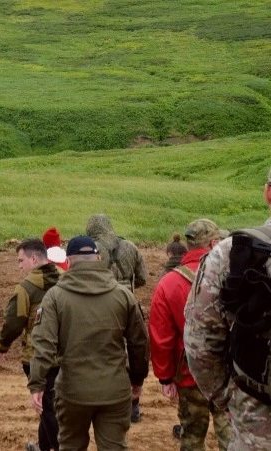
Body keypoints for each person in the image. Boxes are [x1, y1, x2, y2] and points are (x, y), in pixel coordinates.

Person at [28, 236, 149, 450]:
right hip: (114, 390)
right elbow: (139, 342)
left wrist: (37, 383)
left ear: (69, 262)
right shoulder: (123, 295)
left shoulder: (55, 297)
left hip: (72, 392)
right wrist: (137, 378)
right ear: (99, 258)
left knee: (71, 445)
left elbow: (44, 345)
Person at [184, 168, 271, 450]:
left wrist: (227, 398)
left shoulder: (230, 254)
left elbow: (200, 345)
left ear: (268, 193)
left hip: (256, 421)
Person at [150, 219, 230, 450]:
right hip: (227, 373)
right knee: (231, 436)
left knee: (192, 437)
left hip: (189, 374)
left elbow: (161, 336)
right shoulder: (231, 276)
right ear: (214, 243)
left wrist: (165, 378)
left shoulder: (168, 283)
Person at [0, 238, 61, 451]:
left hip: (37, 356)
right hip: (66, 355)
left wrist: (2, 346)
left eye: (21, 260)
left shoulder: (25, 288)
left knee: (47, 408)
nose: (19, 265)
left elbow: (14, 322)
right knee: (50, 406)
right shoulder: (66, 279)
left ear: (34, 259)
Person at [85, 213, 148, 422]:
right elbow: (142, 278)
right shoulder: (130, 246)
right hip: (129, 301)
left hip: (102, 305)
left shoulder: (92, 250)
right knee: (133, 349)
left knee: (108, 350)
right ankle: (133, 405)